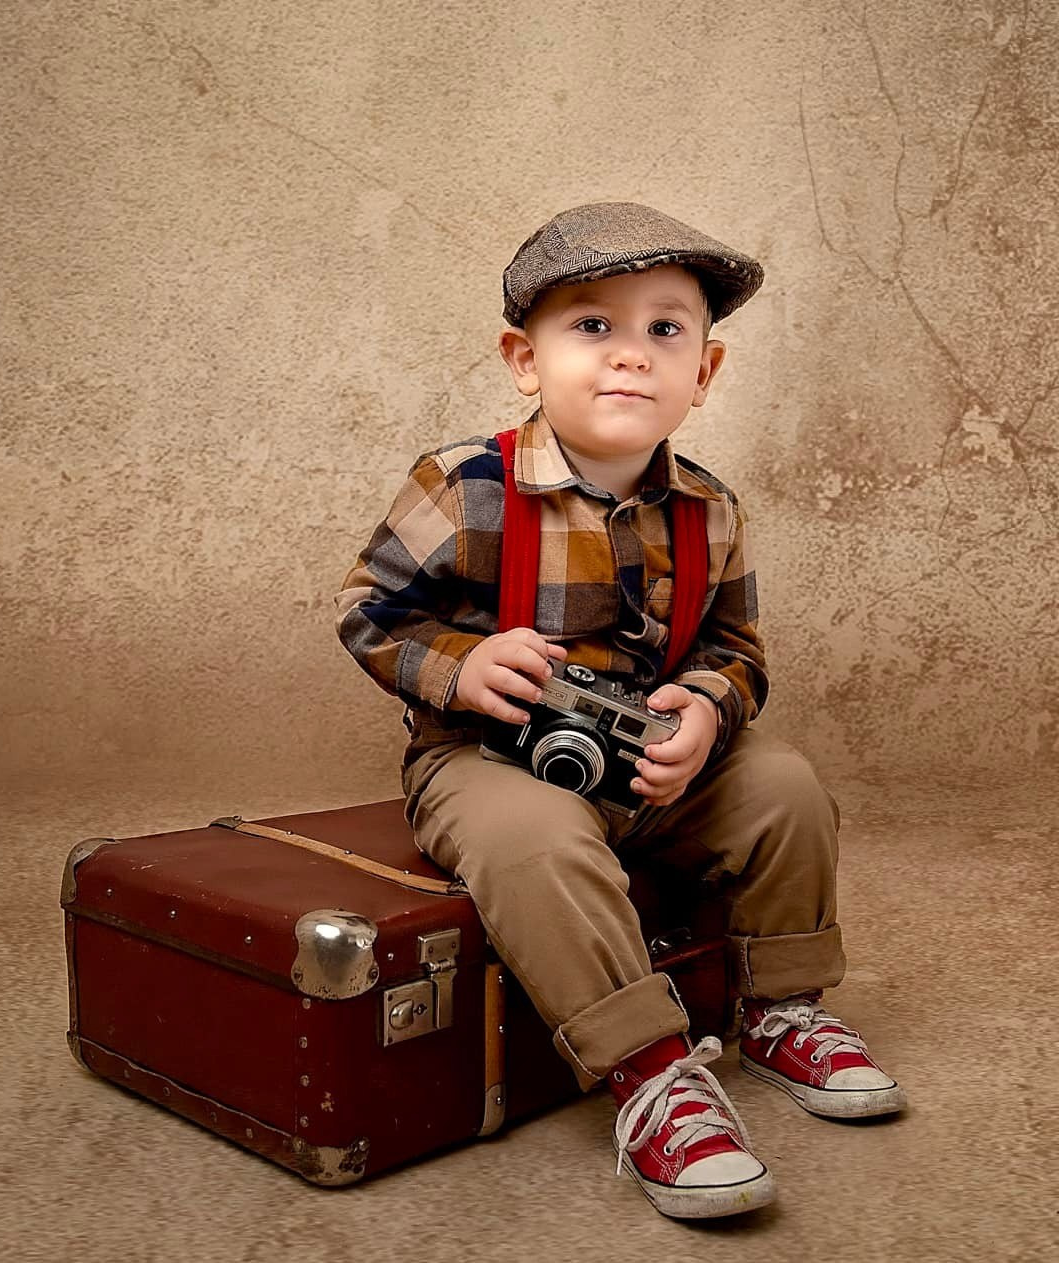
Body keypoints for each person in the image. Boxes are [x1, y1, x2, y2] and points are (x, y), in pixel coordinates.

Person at [334, 200, 905, 1220]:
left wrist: (704, 711)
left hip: (648, 769)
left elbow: (736, 650)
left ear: (705, 372)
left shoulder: (711, 510)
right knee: (532, 838)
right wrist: (461, 666)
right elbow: (369, 611)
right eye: (592, 326)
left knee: (783, 782)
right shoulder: (466, 485)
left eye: (663, 329)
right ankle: (650, 1071)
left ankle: (779, 1006)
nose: (630, 356)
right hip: (487, 763)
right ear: (524, 358)